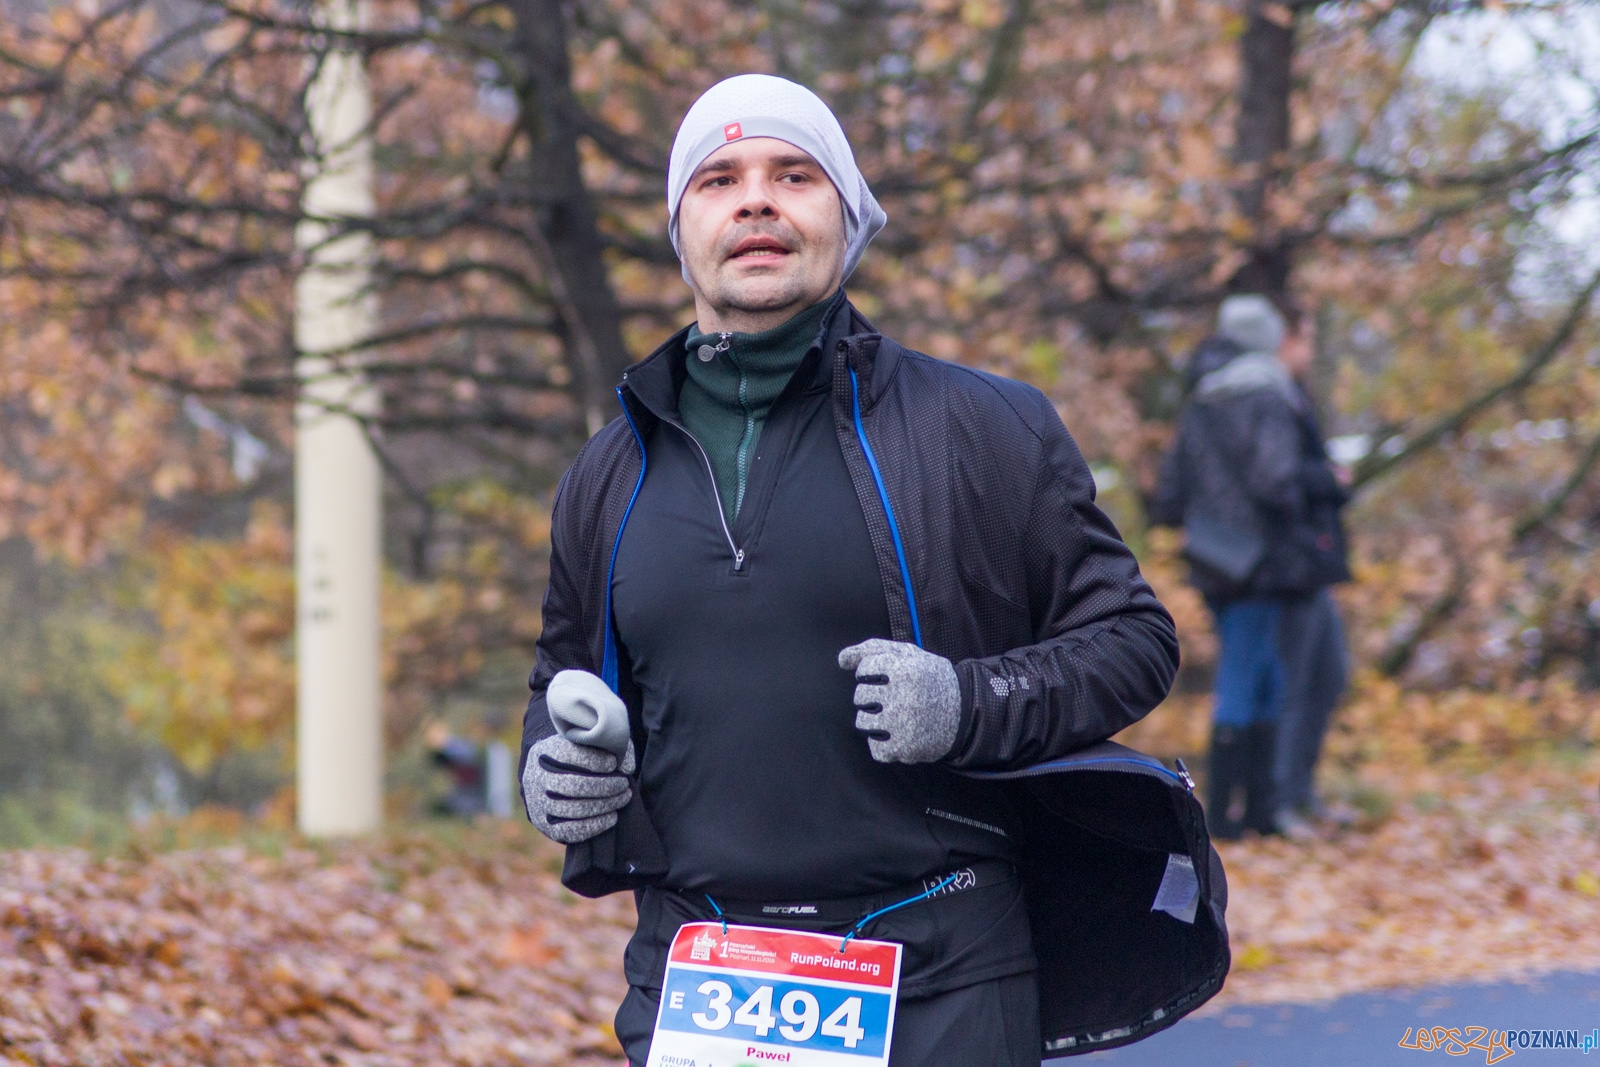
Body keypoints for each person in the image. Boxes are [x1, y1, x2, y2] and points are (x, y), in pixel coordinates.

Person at [519, 74, 1207, 1066]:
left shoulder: (981, 426)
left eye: (793, 173)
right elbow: (558, 674)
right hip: (699, 975)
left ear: (847, 217)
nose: (756, 198)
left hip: (938, 971)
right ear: (683, 234)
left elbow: (1137, 641)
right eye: (718, 179)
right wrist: (553, 766)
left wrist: (968, 701)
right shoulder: (608, 467)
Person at [1151, 295, 1350, 840]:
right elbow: (1276, 480)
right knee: (1255, 681)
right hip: (1265, 564)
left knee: (1255, 675)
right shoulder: (1266, 392)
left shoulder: (1200, 398)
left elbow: (1168, 495)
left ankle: (1246, 815)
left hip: (1215, 563)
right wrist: (1325, 489)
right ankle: (1230, 818)